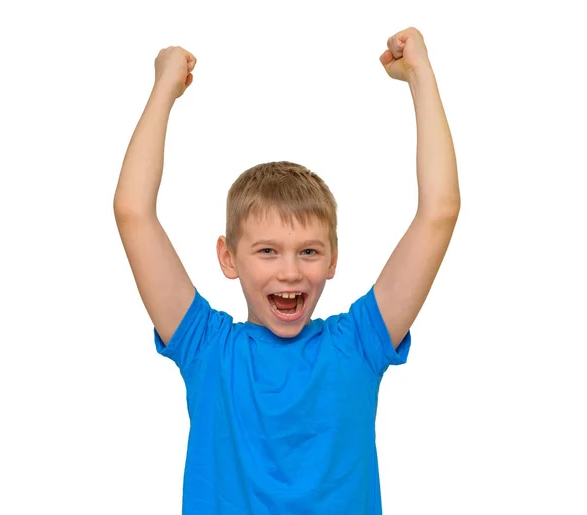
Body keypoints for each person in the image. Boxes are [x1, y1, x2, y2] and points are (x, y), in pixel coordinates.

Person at [114, 26, 460, 515]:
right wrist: (163, 88)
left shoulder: (358, 344)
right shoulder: (207, 349)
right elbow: (133, 211)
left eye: (309, 252)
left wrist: (421, 75)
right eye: (268, 251)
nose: (291, 272)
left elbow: (439, 212)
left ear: (333, 259)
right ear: (228, 258)